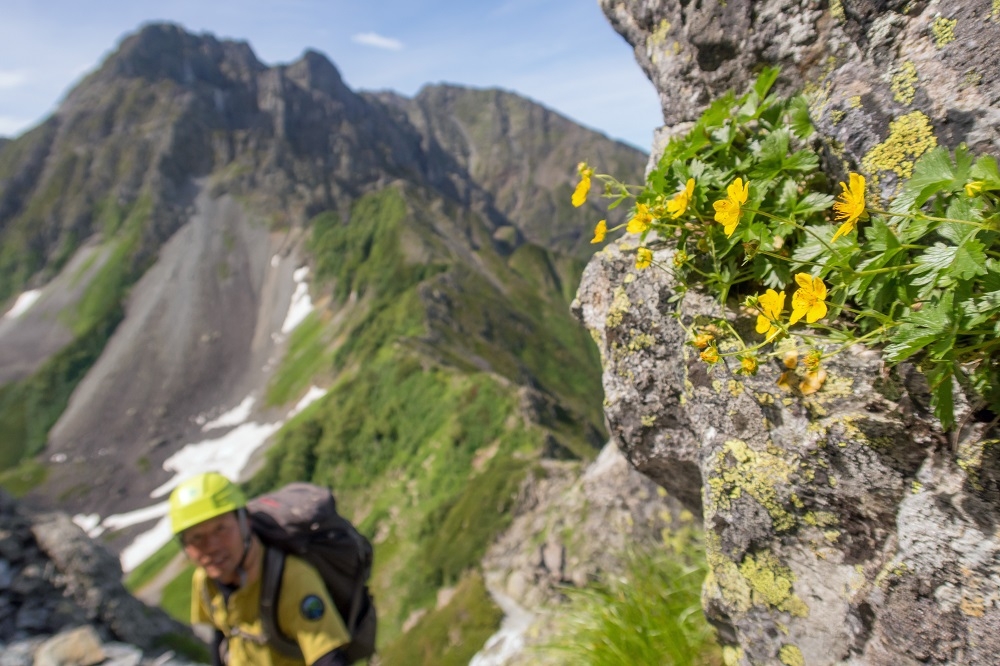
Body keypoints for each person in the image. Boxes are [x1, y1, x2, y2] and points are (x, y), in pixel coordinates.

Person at [169, 472, 352, 666]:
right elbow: (221, 633)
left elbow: (328, 658)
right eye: (196, 538)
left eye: (220, 528)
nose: (212, 546)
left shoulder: (292, 579)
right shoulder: (204, 581)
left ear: (245, 522)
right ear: (185, 546)